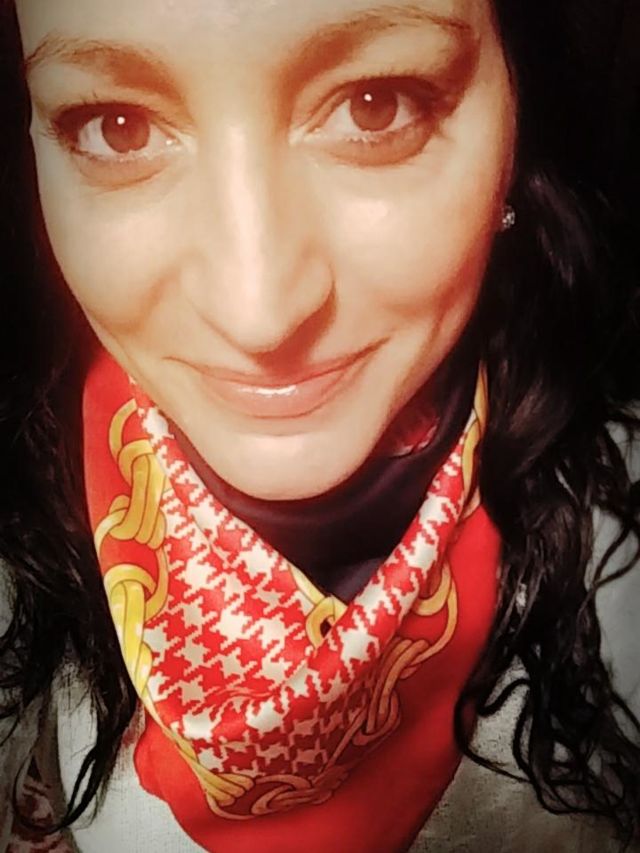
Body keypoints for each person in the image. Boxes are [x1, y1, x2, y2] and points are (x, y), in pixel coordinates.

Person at [0, 0, 639, 851]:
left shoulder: (620, 536)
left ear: (517, 118)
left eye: (376, 107)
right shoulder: (20, 511)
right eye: (118, 128)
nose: (258, 312)